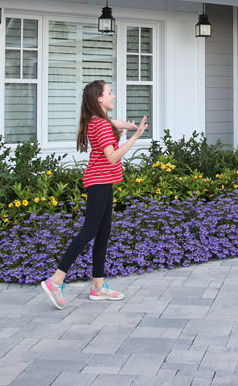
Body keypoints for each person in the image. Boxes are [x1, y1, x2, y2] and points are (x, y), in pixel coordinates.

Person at [41, 79, 148, 309]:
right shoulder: (99, 125)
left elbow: (115, 122)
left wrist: (127, 126)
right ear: (99, 98)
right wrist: (135, 136)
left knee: (103, 233)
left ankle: (98, 287)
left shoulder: (100, 121)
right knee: (89, 231)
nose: (113, 96)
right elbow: (112, 156)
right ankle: (56, 280)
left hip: (104, 182)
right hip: (99, 182)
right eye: (110, 93)